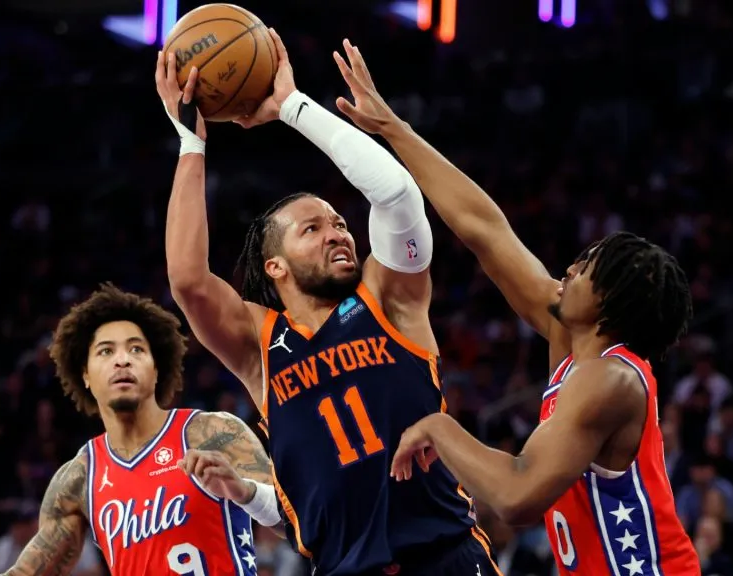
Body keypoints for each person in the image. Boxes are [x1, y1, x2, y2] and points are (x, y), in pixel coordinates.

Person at [323, 41, 701, 575]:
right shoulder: (572, 343)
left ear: (614, 297)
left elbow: (517, 496)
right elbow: (485, 229)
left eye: (586, 267)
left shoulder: (612, 379)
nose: (568, 269)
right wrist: (393, 129)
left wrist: (438, 426)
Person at [159, 30, 499, 576]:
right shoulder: (259, 344)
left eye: (339, 223)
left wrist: (292, 107)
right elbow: (188, 280)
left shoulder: (389, 298)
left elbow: (396, 194)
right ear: (274, 266)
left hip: (444, 557)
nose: (337, 233)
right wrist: (190, 144)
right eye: (312, 229)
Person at [0, 284, 281, 576]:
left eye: (136, 349)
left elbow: (297, 521)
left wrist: (243, 491)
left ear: (157, 369)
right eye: (106, 351)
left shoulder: (209, 432)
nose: (122, 360)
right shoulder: (79, 479)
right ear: (86, 375)